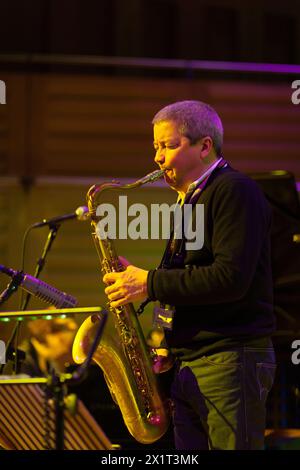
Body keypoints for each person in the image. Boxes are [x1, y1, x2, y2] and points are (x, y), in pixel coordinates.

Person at [103, 100, 276, 450]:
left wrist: (148, 282)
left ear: (204, 146)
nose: (158, 157)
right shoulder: (190, 202)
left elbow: (230, 278)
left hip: (228, 359)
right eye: (155, 147)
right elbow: (190, 278)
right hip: (191, 361)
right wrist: (165, 340)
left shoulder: (233, 190)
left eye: (168, 145)